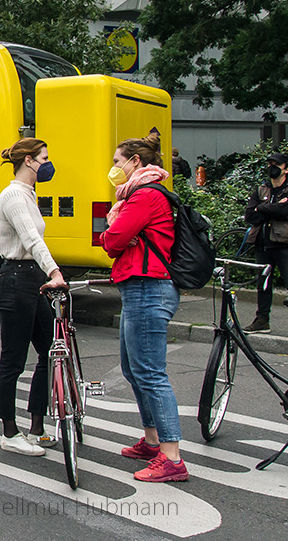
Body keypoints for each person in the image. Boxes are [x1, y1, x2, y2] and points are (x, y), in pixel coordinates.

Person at [100, 133, 188, 482]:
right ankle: (152, 440)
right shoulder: (140, 196)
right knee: (133, 368)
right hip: (139, 287)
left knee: (150, 372)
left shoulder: (144, 196)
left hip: (148, 287)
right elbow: (121, 238)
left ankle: (172, 457)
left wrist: (113, 234)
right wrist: (119, 235)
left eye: (118, 161)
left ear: (136, 162)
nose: (114, 168)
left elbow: (113, 240)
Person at [0, 138, 67, 456]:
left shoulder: (29, 194)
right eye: (44, 158)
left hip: (32, 278)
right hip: (15, 279)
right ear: (29, 161)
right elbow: (31, 238)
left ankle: (37, 426)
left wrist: (47, 273)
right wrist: (55, 272)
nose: (48, 164)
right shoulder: (13, 195)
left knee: (49, 352)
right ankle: (9, 432)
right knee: (13, 359)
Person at [242, 152, 288, 333]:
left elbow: (285, 210)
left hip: (286, 242)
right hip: (263, 242)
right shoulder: (262, 189)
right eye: (269, 164)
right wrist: (271, 208)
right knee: (263, 283)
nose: (271, 167)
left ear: (286, 169)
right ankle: (262, 320)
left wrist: (263, 207)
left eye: (276, 164)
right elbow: (250, 215)